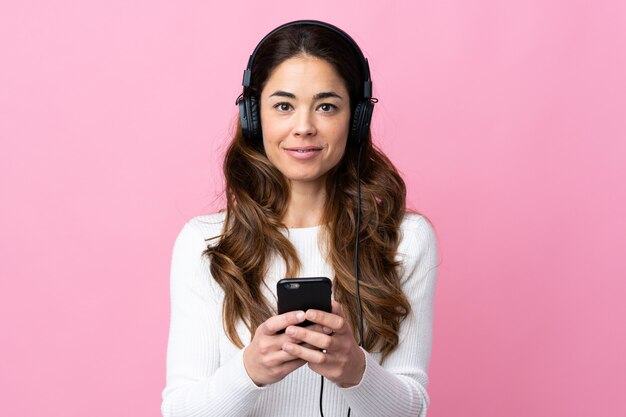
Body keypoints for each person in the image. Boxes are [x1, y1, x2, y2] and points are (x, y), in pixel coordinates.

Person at [161, 20, 438, 417]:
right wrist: (249, 371)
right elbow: (179, 412)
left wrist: (355, 371)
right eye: (284, 106)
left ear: (356, 120)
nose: (304, 127)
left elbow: (412, 410)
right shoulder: (204, 243)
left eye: (326, 106)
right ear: (254, 117)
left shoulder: (406, 239)